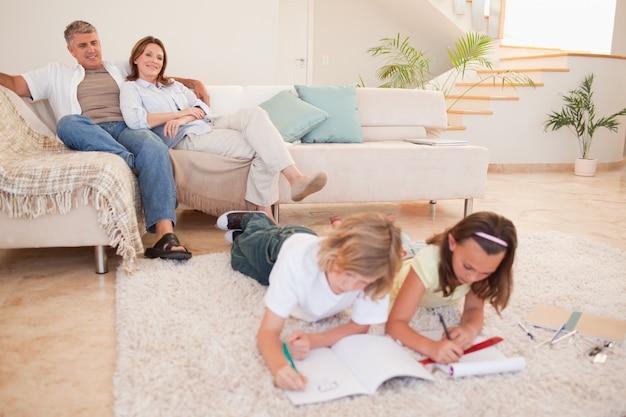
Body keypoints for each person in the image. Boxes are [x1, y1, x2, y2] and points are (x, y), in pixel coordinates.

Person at [0, 21, 205, 260]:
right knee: (67, 123)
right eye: (83, 45)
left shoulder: (118, 67)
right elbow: (15, 84)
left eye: (94, 43)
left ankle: (164, 235)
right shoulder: (56, 73)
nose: (91, 49)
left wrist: (193, 82)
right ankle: (130, 161)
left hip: (124, 129)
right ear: (71, 50)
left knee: (153, 146)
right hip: (90, 132)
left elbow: (153, 71)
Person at [119, 36, 327, 224]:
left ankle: (295, 179)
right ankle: (266, 213)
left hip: (207, 123)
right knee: (263, 146)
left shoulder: (172, 84)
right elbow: (136, 120)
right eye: (149, 55)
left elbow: (202, 107)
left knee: (253, 114)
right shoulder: (131, 88)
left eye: (160, 58)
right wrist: (177, 116)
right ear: (136, 58)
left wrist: (185, 116)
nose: (154, 61)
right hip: (188, 137)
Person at [217, 210, 403, 391]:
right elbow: (268, 331)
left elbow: (360, 326)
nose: (349, 285)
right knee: (238, 257)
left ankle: (241, 236)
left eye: (362, 282)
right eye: (348, 273)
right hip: (277, 247)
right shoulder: (297, 264)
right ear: (335, 253)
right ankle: (256, 219)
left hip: (303, 247)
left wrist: (314, 340)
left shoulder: (375, 273)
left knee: (247, 262)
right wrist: (279, 367)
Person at [385, 211, 517, 365]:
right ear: (452, 243)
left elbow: (473, 309)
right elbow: (395, 324)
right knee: (386, 244)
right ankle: (389, 227)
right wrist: (430, 347)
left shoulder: (480, 263)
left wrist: (470, 329)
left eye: (486, 273)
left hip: (428, 249)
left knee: (408, 243)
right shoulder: (428, 262)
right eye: (467, 267)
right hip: (403, 261)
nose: (472, 278)